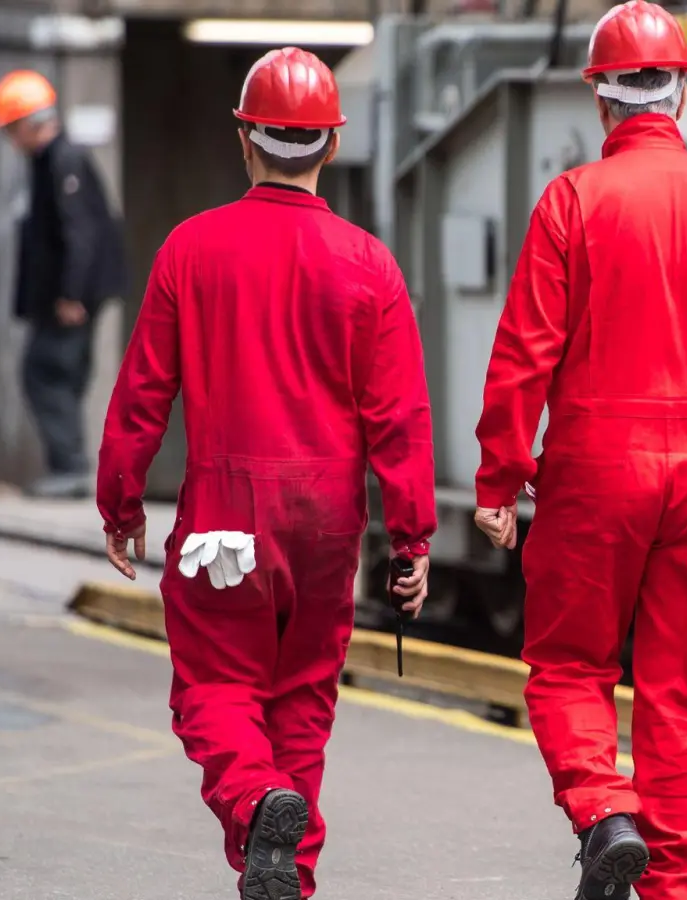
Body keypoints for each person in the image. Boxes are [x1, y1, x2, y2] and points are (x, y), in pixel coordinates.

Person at [471, 3, 687, 898]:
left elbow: (524, 356)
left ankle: (603, 812)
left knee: (570, 667)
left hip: (596, 472)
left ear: (600, 99)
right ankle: (672, 887)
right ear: (681, 93)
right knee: (681, 699)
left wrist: (500, 476)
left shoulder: (573, 201)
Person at [95, 47, 436, 900]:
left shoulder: (191, 249)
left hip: (223, 512)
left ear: (245, 136)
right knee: (303, 704)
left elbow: (144, 390)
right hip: (327, 518)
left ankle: (256, 803)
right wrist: (412, 537)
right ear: (329, 146)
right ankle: (287, 873)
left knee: (214, 689)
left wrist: (122, 503)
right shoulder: (370, 266)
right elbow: (400, 417)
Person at [0, 70, 128, 499]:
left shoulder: (62, 161)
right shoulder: (49, 162)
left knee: (45, 372)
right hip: (65, 294)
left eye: (12, 129)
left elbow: (80, 233)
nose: (11, 139)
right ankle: (69, 466)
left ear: (30, 123)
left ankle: (71, 468)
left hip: (70, 297)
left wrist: (71, 294)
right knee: (61, 373)